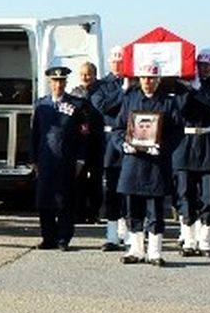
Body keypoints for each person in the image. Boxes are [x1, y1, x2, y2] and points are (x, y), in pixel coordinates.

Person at [114, 62, 183, 266]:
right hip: (133, 162)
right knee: (133, 208)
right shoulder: (130, 99)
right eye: (143, 78)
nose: (147, 82)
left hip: (156, 164)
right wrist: (124, 145)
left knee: (155, 209)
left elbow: (177, 132)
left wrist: (162, 147)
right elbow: (118, 129)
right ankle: (136, 249)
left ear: (158, 80)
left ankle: (154, 251)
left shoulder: (168, 103)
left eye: (151, 78)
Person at [173, 48, 210, 257]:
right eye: (202, 65)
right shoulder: (182, 85)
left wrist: (199, 90)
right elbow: (178, 111)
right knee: (185, 193)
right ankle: (188, 238)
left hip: (208, 142)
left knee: (208, 196)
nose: (206, 68)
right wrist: (188, 88)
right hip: (186, 142)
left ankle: (205, 240)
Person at [29, 66, 89, 250]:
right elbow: (34, 134)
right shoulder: (41, 106)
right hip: (46, 159)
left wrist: (80, 159)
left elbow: (84, 136)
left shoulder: (77, 106)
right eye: (55, 81)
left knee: (65, 201)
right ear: (50, 83)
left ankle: (63, 238)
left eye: (62, 81)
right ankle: (48, 238)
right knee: (45, 200)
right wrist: (33, 160)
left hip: (67, 159)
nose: (58, 85)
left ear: (66, 83)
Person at [90, 47, 131, 251]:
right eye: (114, 61)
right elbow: (103, 106)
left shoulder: (133, 82)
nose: (117, 64)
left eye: (121, 60)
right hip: (108, 143)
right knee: (112, 190)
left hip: (127, 138)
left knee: (129, 189)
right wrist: (122, 92)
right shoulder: (100, 85)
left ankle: (130, 233)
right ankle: (112, 234)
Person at [69, 61, 104, 224]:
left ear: (94, 75)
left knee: (96, 180)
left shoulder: (102, 91)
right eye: (82, 74)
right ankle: (79, 212)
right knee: (78, 179)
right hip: (80, 142)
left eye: (88, 74)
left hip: (97, 141)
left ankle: (94, 212)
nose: (85, 77)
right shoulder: (75, 93)